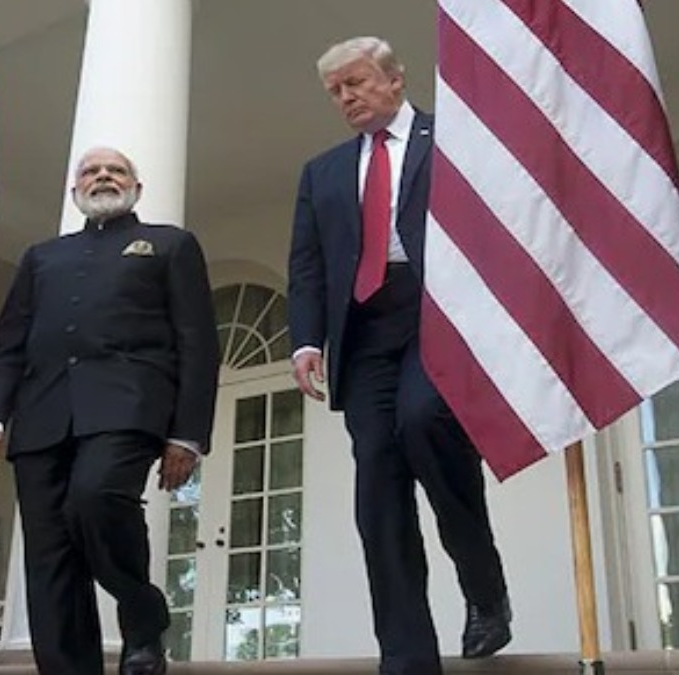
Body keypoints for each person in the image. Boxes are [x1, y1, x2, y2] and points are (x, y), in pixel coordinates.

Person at [287, 37, 511, 674]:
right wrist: (306, 339)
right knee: (378, 488)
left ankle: (485, 592)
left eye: (356, 82)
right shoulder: (322, 172)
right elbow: (307, 264)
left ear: (393, 78)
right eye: (336, 91)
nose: (347, 97)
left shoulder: (455, 138)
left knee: (424, 421)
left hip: (438, 315)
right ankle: (407, 656)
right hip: (364, 333)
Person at [0, 147, 220, 675]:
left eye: (116, 170)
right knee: (51, 557)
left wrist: (188, 433)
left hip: (128, 406)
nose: (103, 175)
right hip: (42, 416)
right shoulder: (42, 257)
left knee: (95, 496)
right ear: (75, 191)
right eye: (91, 171)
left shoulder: (170, 245)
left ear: (136, 187)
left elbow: (197, 342)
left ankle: (143, 615)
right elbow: (9, 343)